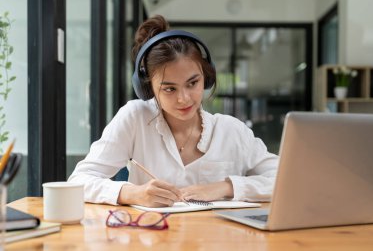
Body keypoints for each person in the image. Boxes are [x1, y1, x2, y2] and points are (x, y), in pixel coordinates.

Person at [68, 15, 279, 208]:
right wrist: (132, 193)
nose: (184, 98)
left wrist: (225, 186)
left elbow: (286, 179)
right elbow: (79, 180)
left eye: (192, 83)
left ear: (206, 77)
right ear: (148, 88)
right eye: (169, 88)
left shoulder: (232, 131)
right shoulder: (135, 117)